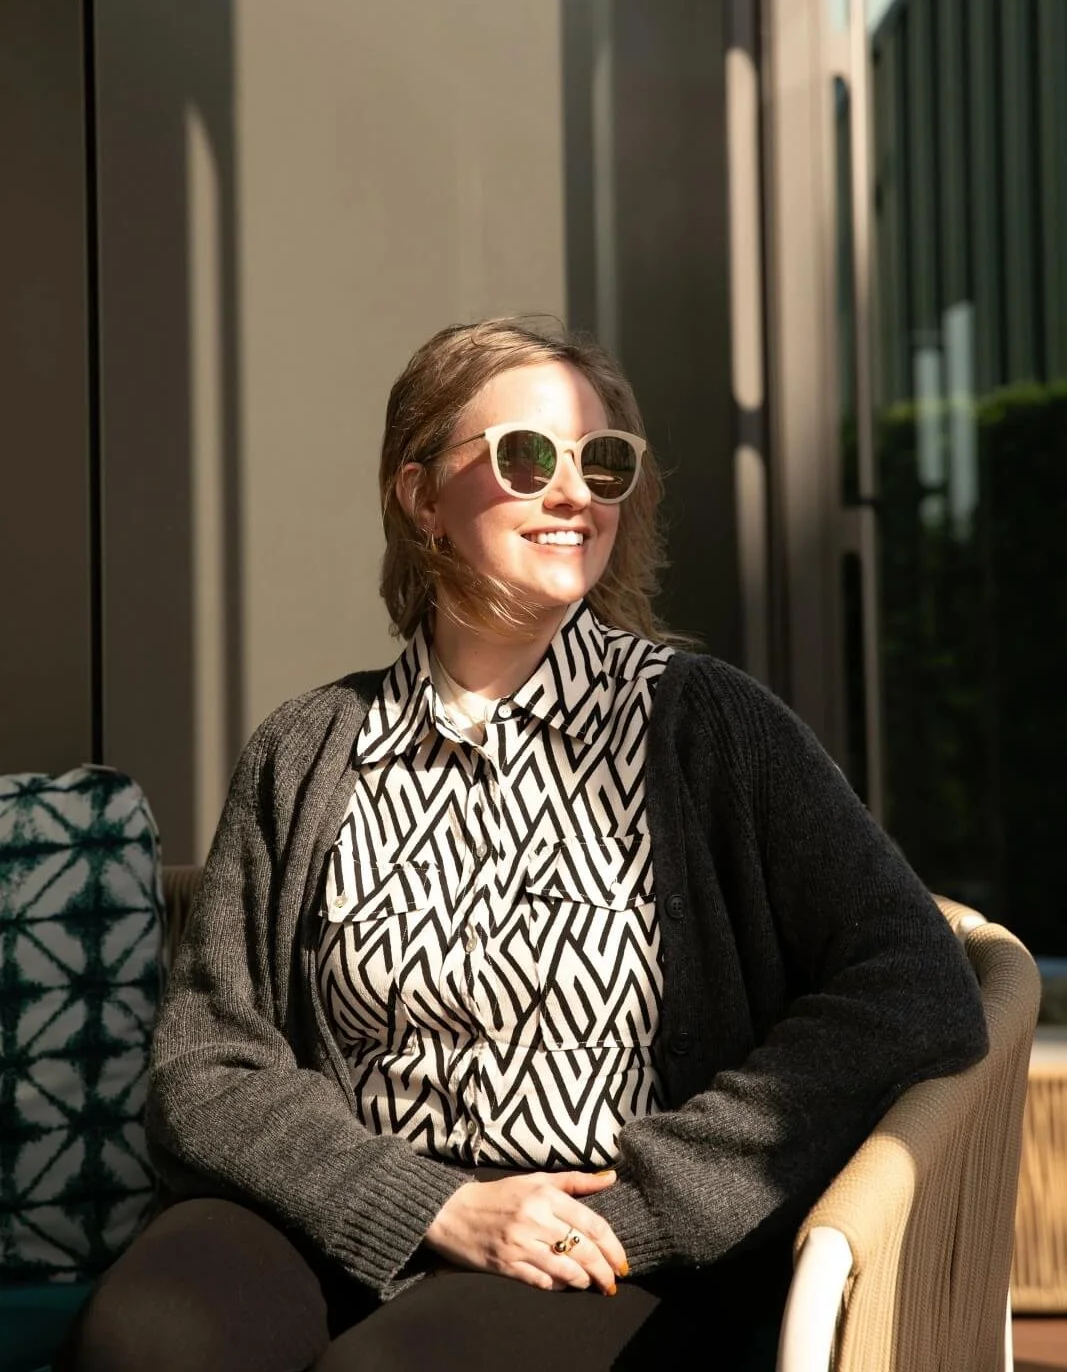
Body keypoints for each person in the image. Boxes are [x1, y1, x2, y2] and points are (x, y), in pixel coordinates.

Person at [59, 317, 987, 1372]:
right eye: (526, 456)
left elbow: (912, 979)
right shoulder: (307, 747)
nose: (576, 492)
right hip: (337, 1206)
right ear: (420, 497)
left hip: (602, 1252)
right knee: (142, 1342)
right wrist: (424, 1204)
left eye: (602, 463)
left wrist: (653, 1202)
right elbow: (208, 1061)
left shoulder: (704, 725)